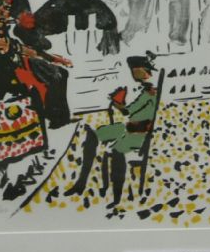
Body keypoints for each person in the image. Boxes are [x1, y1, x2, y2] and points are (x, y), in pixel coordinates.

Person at [0, 0, 72, 180]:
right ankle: (5, 172)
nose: (3, 14)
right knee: (2, 130)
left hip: (18, 90)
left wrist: (56, 59)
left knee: (32, 115)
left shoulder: (11, 43)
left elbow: (33, 52)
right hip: (1, 92)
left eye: (6, 9)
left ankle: (31, 167)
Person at [65, 52, 159, 205]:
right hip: (130, 127)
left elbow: (128, 111)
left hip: (139, 132)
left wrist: (117, 103)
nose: (133, 73)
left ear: (141, 70)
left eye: (135, 70)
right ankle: (81, 183)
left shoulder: (150, 92)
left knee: (117, 151)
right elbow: (130, 110)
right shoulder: (145, 89)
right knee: (94, 134)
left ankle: (116, 196)